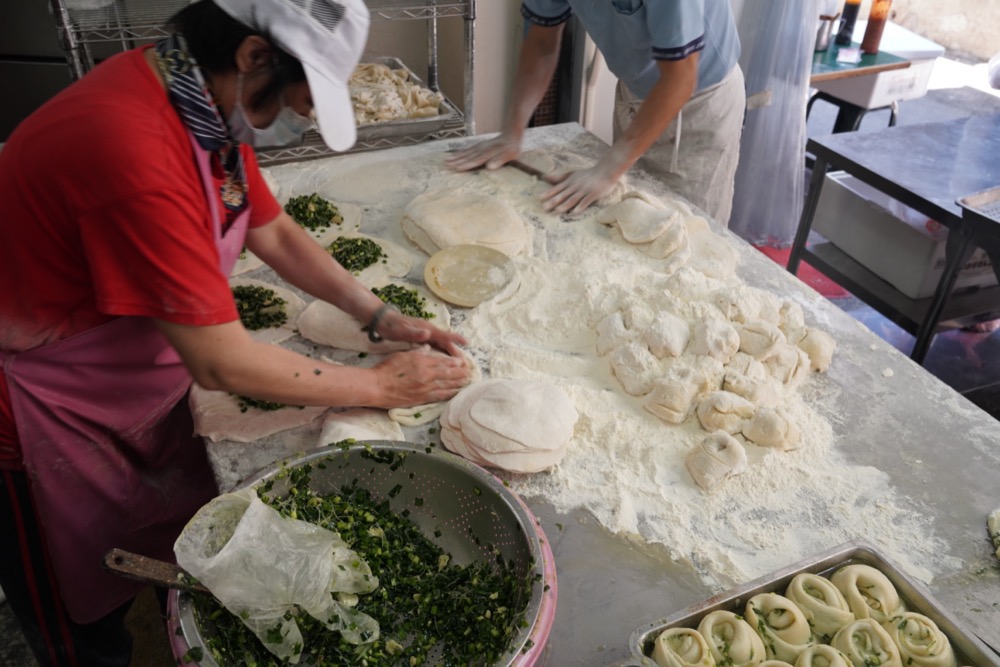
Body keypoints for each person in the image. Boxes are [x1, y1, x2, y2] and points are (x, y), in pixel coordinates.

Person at [0, 0, 471, 664]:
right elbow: (220, 360)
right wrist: (377, 385)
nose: (297, 121)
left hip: (113, 380)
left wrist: (376, 315)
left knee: (149, 542)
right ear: (254, 56)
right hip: (36, 412)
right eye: (297, 103)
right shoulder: (137, 150)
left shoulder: (193, 98)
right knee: (75, 624)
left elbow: (268, 226)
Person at [446, 0, 746, 225]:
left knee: (688, 237)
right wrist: (512, 133)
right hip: (636, 94)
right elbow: (541, 43)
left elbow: (680, 78)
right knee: (627, 224)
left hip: (700, 108)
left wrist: (609, 167)